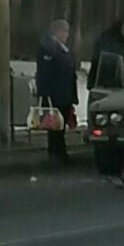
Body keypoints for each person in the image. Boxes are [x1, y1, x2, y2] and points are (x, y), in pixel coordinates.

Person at [35, 19, 79, 165]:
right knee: (55, 126)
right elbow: (45, 73)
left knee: (60, 125)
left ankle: (59, 152)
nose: (66, 35)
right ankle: (56, 153)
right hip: (55, 94)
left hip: (64, 94)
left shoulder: (62, 49)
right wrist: (45, 93)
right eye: (64, 31)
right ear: (57, 32)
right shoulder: (48, 48)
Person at [88, 15, 124, 87]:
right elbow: (100, 59)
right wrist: (120, 64)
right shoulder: (107, 39)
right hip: (102, 84)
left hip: (123, 87)